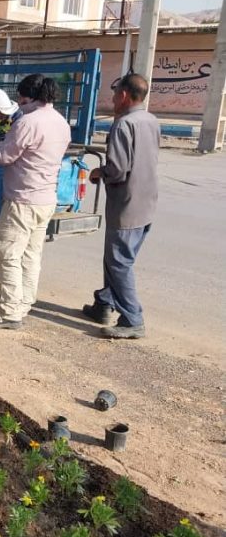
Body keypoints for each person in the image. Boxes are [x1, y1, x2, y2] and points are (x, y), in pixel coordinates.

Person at [0, 74, 71, 330]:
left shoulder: (28, 122)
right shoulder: (61, 122)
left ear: (30, 97)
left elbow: (5, 156)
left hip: (23, 200)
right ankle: (24, 303)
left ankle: (8, 314)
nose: (19, 101)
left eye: (21, 96)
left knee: (5, 253)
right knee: (30, 254)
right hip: (46, 199)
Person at [82, 73, 158, 339]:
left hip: (127, 205)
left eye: (115, 95)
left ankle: (132, 319)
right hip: (146, 203)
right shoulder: (150, 120)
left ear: (124, 96)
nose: (112, 100)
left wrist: (97, 173)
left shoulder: (123, 125)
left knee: (119, 263)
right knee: (116, 259)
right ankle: (104, 303)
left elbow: (117, 170)